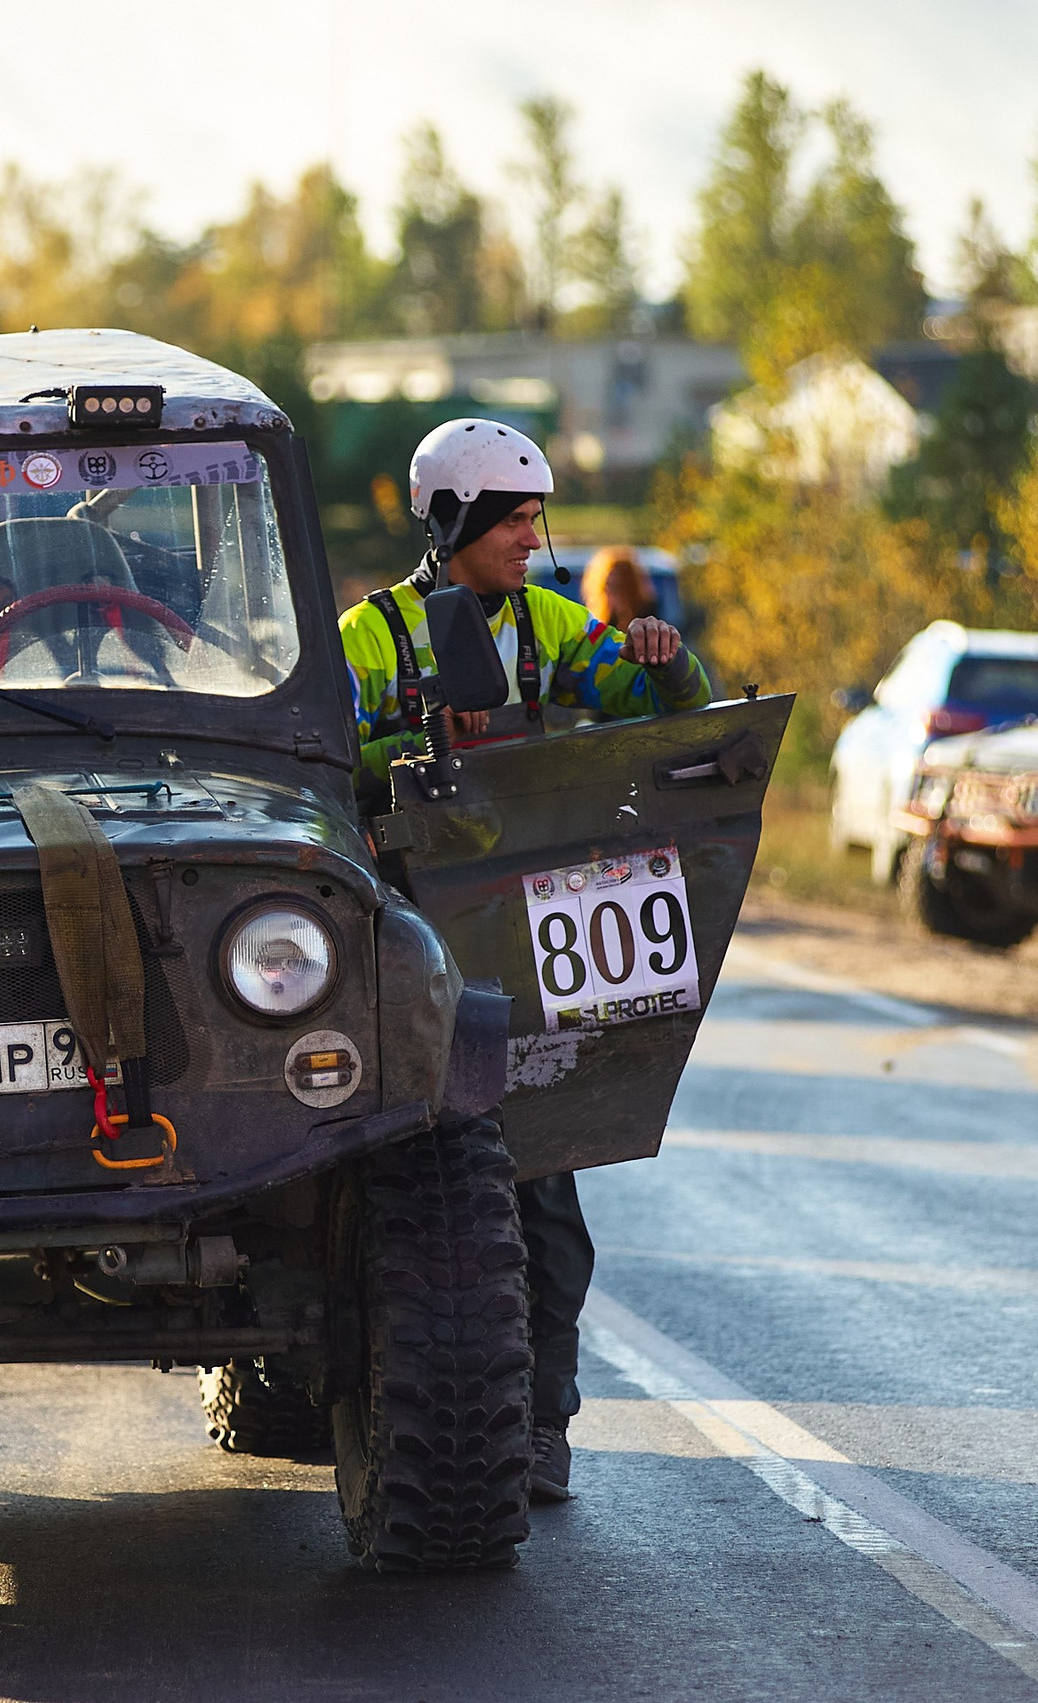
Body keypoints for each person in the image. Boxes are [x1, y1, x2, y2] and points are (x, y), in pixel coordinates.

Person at [339, 417, 714, 1506]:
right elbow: (315, 757)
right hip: (404, 952)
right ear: (451, 518)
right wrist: (408, 750)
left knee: (544, 1203)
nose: (531, 535)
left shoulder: (556, 624)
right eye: (513, 518)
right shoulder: (368, 636)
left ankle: (541, 1421)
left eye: (536, 516)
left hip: (528, 958)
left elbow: (669, 711)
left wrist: (663, 654)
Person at [580, 545, 657, 632]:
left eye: (620, 587)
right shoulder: (593, 627)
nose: (614, 595)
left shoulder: (650, 625)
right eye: (608, 586)